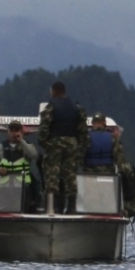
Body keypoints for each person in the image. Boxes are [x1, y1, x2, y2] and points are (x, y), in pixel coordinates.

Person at [38, 81, 88, 214]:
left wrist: (44, 143)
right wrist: (80, 146)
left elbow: (44, 128)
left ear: (54, 91)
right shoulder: (77, 108)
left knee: (52, 174)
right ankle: (71, 207)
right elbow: (83, 131)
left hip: (55, 142)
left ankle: (52, 207)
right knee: (70, 174)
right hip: (72, 143)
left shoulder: (51, 107)